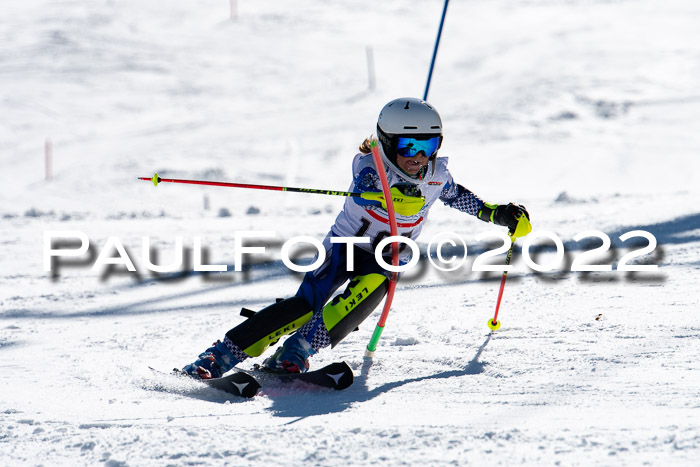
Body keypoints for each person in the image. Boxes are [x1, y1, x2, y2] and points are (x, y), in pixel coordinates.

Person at [181, 97, 530, 379]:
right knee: (305, 306)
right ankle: (220, 355)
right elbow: (366, 185)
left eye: (428, 144)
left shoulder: (436, 174)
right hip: (344, 247)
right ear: (388, 142)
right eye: (408, 146)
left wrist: (496, 213)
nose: (418, 157)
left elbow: (455, 195)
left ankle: (297, 351)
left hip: (386, 257)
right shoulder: (371, 164)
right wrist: (385, 193)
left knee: (364, 297)